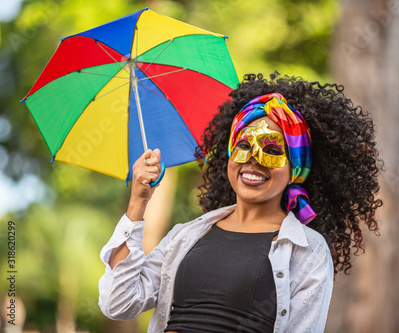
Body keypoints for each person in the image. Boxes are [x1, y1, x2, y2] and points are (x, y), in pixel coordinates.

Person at [98, 73, 383, 332]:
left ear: (295, 168)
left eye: (271, 149)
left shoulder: (306, 251)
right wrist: (138, 202)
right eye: (244, 145)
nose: (253, 159)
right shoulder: (186, 236)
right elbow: (119, 303)